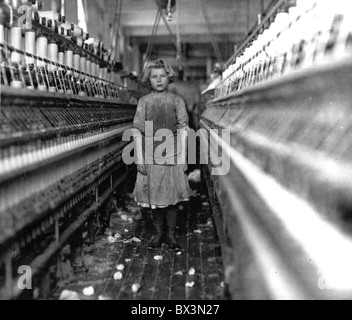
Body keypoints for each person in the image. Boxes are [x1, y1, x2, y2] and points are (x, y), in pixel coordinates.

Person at [132, 59, 190, 251]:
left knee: (172, 198)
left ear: (168, 78)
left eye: (162, 76)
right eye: (154, 77)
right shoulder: (144, 102)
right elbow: (137, 130)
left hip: (172, 154)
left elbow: (183, 129)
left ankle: (171, 235)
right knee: (155, 199)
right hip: (151, 155)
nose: (158, 80)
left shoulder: (176, 101)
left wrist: (183, 158)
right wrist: (139, 158)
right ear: (149, 80)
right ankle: (158, 234)